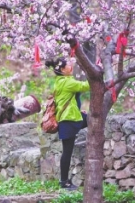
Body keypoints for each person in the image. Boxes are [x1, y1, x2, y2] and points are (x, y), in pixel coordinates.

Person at [45, 57, 89, 191]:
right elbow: (86, 86)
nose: (71, 66)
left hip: (69, 118)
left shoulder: (60, 81)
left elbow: (70, 99)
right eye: (68, 65)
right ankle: (64, 181)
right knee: (67, 152)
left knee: (89, 119)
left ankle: (64, 181)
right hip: (69, 120)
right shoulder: (67, 82)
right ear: (63, 70)